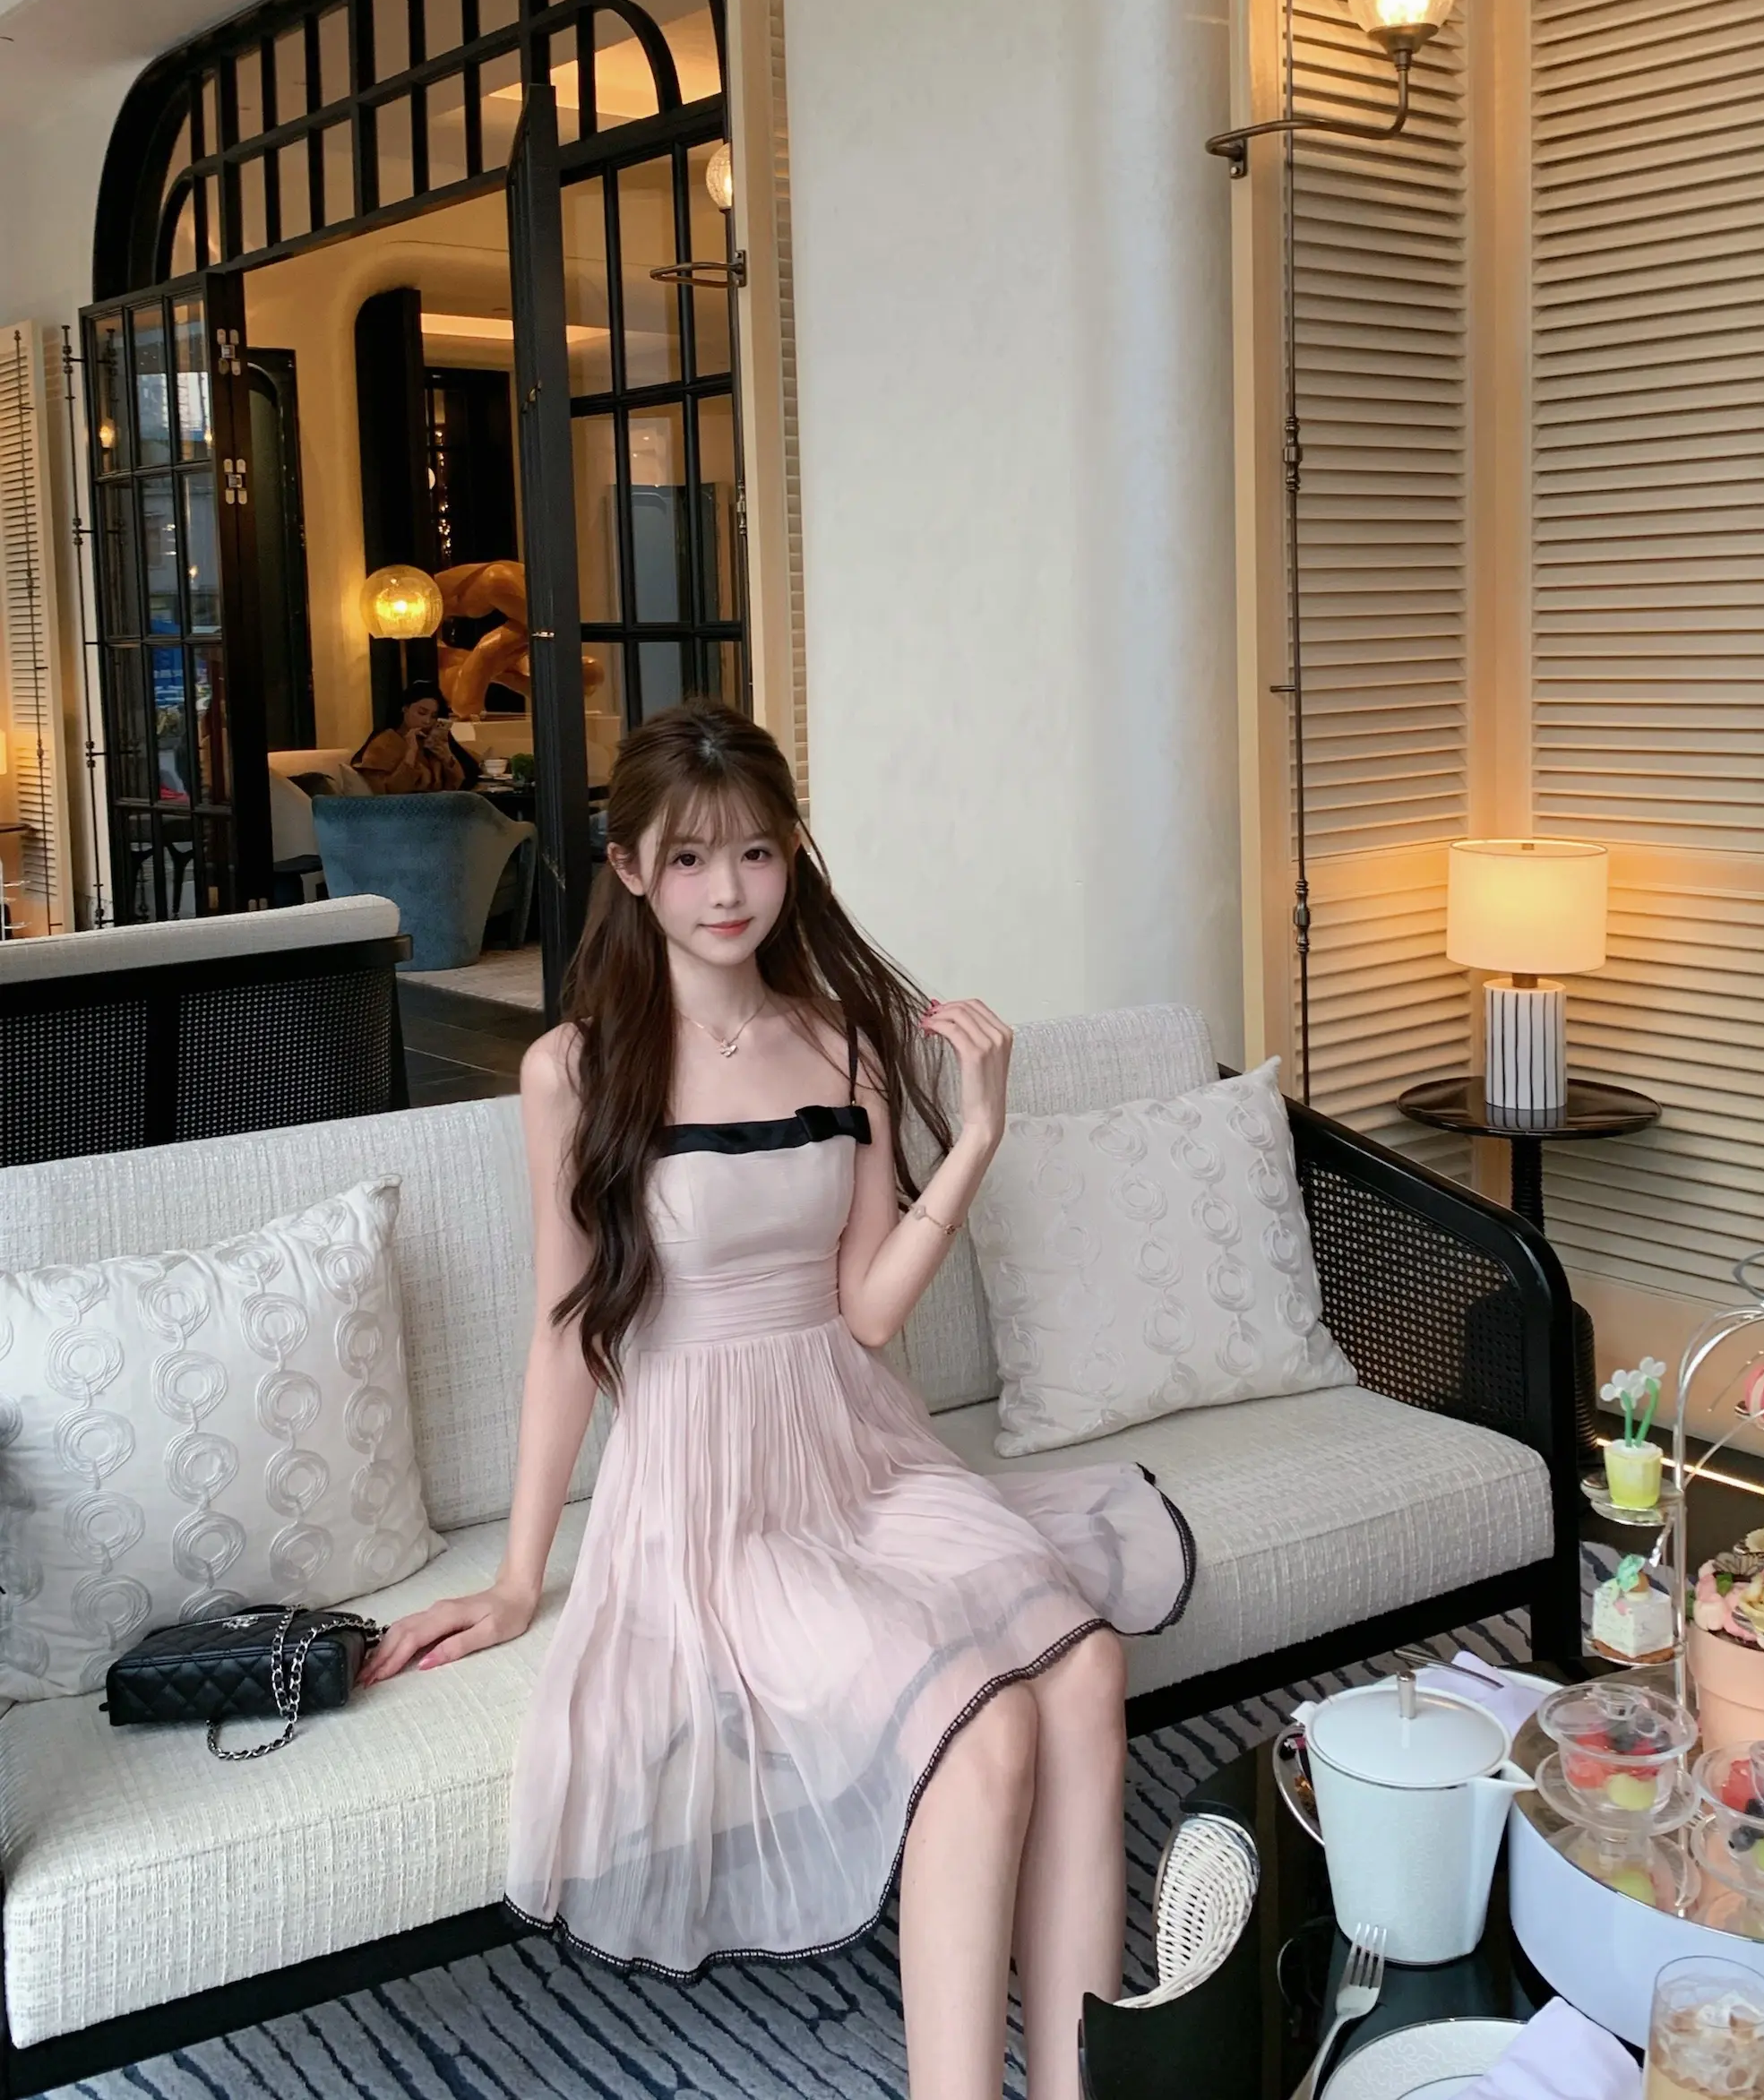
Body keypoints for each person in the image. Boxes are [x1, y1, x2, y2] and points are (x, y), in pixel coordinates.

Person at [364, 701, 1193, 2100]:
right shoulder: (574, 1070)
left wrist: (979, 1135)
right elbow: (567, 1334)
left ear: (793, 854)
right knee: (986, 1724)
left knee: (1088, 1665)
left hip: (861, 1455)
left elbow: (865, 1313)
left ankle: (1078, 2084)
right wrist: (516, 1577)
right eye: (690, 859)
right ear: (630, 868)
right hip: (710, 1499)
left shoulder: (844, 1040)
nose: (728, 890)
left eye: (755, 852)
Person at [351, 679, 478, 794]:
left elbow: (455, 787)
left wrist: (447, 758)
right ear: (405, 709)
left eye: (433, 716)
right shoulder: (384, 743)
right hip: (404, 808)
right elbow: (391, 792)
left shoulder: (429, 743)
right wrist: (411, 753)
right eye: (422, 713)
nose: (427, 721)